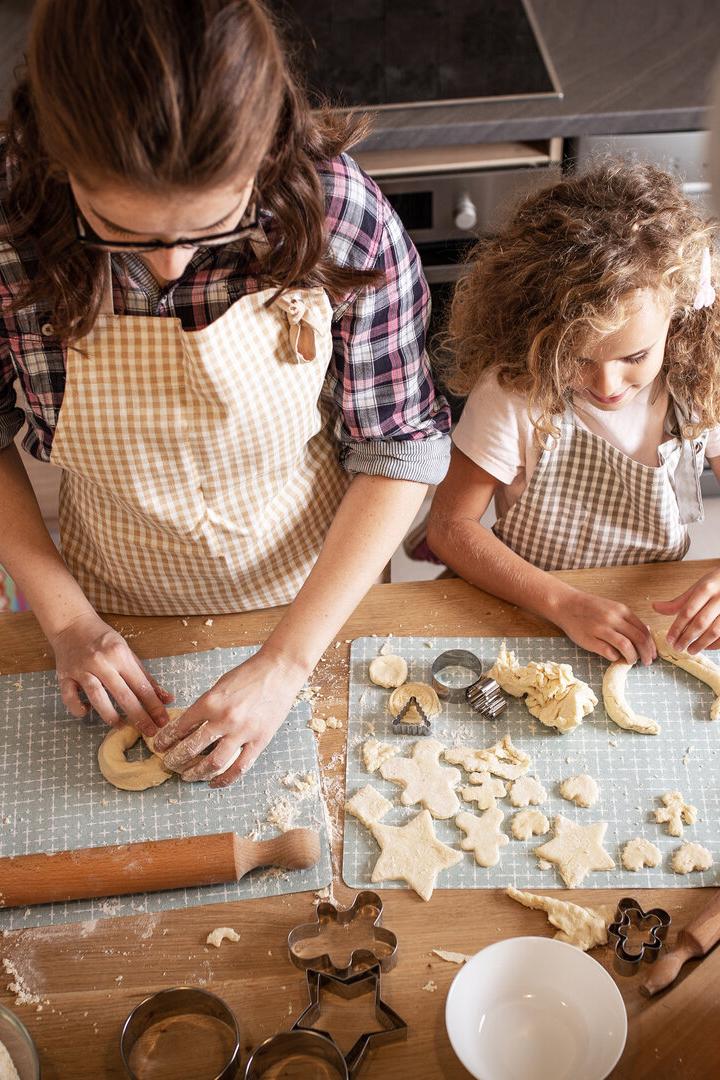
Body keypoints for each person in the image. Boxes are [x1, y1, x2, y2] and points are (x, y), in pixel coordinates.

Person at [0, 0, 450, 785]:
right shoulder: (9, 225)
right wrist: (67, 617)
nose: (169, 268)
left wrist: (284, 661)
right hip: (112, 591)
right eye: (120, 229)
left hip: (316, 588)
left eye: (210, 227)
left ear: (265, 149)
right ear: (57, 157)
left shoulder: (341, 215)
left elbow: (398, 447)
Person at [428, 160, 720, 665]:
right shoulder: (514, 391)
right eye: (579, 359)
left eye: (634, 357)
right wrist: (562, 602)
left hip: (650, 614)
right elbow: (451, 528)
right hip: (531, 611)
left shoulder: (697, 378)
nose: (608, 386)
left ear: (676, 316)